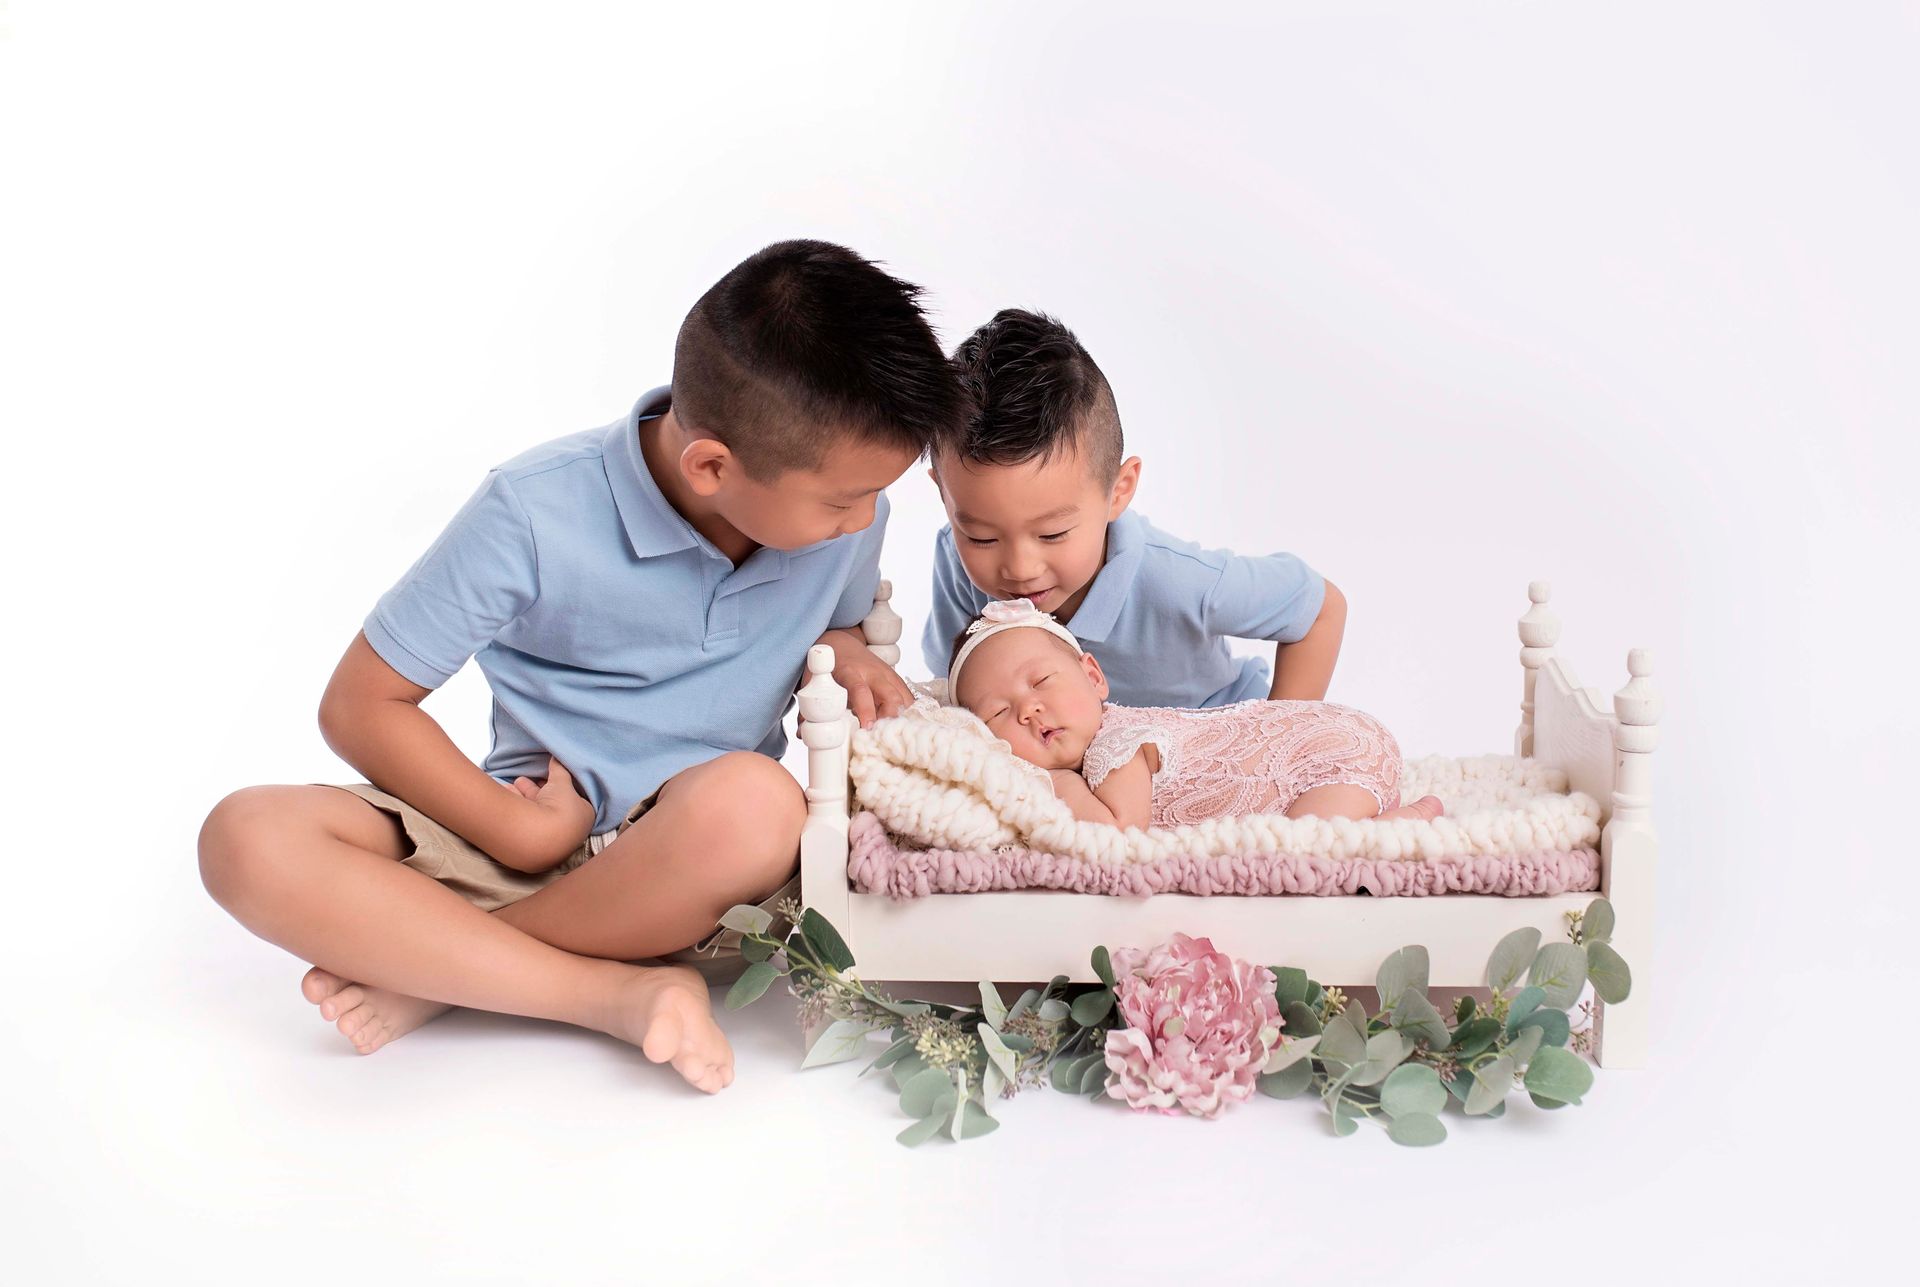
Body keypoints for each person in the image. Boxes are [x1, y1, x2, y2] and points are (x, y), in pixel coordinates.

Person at [198, 240, 963, 1092]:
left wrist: (850, 647)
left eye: (874, 495)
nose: (865, 518)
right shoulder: (532, 509)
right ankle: (604, 992)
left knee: (756, 802)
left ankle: (445, 971)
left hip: (687, 873)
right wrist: (511, 827)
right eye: (841, 501)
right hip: (517, 832)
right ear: (712, 466)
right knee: (246, 837)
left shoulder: (845, 513)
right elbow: (360, 704)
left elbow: (837, 620)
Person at [924, 309, 1345, 708]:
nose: (1018, 568)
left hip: (1212, 738)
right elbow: (959, 684)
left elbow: (1320, 607)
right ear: (944, 495)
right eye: (982, 537)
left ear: (1119, 491)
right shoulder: (956, 561)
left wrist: (1276, 743)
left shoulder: (1178, 581)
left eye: (1052, 534)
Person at [947, 599, 1443, 829]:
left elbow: (1118, 835)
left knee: (1308, 850)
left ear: (1094, 677)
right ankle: (1372, 807)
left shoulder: (1116, 746)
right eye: (998, 714)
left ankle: (1394, 826)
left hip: (1326, 755)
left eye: (1041, 682)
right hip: (1333, 747)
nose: (1030, 709)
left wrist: (1061, 785)